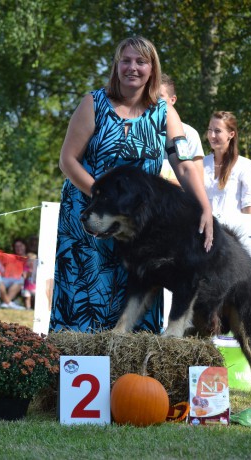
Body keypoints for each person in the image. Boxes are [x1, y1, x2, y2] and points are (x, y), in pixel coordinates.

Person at [49, 36, 213, 333]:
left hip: (142, 227)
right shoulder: (93, 103)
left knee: (138, 294)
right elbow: (68, 161)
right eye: (126, 60)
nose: (132, 68)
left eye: (141, 62)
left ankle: (130, 376)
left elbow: (186, 165)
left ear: (153, 69)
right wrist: (103, 201)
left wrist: (204, 207)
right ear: (116, 65)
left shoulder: (165, 112)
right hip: (88, 218)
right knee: (85, 303)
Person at [204, 111, 251, 224]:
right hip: (203, 233)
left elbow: (248, 204)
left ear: (231, 134)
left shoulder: (245, 165)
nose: (212, 135)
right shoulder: (201, 163)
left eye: (217, 131)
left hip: (231, 234)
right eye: (210, 130)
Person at [159, 74, 205, 184]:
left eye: (159, 96)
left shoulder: (189, 134)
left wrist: (161, 181)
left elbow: (198, 181)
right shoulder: (137, 131)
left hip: (176, 200)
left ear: (172, 100)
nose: (154, 101)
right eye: (150, 95)